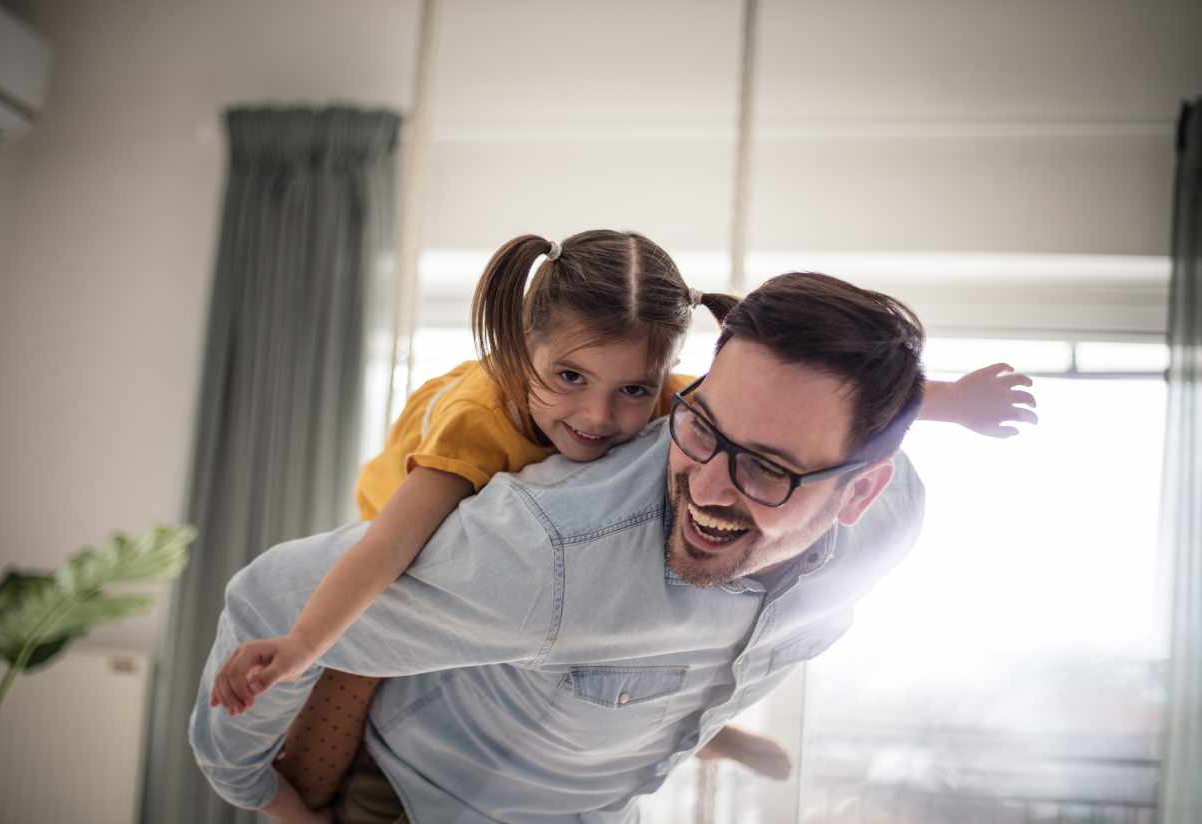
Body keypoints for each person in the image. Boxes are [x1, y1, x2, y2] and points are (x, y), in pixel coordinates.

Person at [194, 256, 1034, 822]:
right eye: (700, 426)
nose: (705, 487)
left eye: (768, 468)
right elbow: (272, 595)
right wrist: (254, 793)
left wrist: (951, 399)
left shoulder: (893, 523)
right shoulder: (544, 551)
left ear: (862, 489)